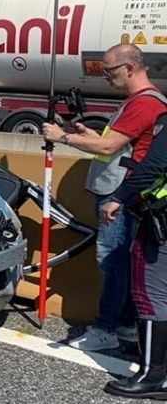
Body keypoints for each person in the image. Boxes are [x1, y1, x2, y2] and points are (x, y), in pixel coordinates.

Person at [43, 43, 167, 351]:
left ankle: (107, 329)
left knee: (112, 262)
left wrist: (64, 138)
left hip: (120, 193)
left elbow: (110, 148)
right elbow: (117, 143)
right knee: (121, 262)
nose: (106, 77)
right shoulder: (141, 101)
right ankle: (124, 326)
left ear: (129, 68)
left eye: (109, 71)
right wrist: (86, 136)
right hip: (122, 191)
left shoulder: (144, 103)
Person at [101, 111, 167, 397]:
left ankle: (153, 375)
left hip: (160, 222)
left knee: (150, 295)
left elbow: (154, 165)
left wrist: (119, 197)